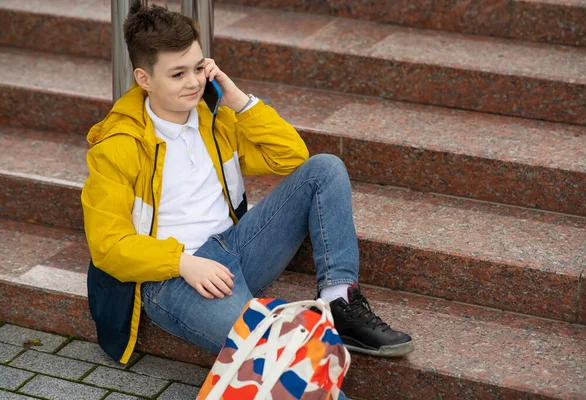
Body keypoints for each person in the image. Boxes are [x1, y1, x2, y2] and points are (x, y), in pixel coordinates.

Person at [82, 1, 414, 397]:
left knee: (325, 168)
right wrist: (182, 263)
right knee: (278, 351)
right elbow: (107, 246)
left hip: (235, 248)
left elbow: (291, 157)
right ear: (144, 78)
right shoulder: (117, 146)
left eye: (197, 68)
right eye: (177, 74)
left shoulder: (215, 118)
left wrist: (239, 99)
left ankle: (338, 300)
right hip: (172, 279)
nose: (193, 82)